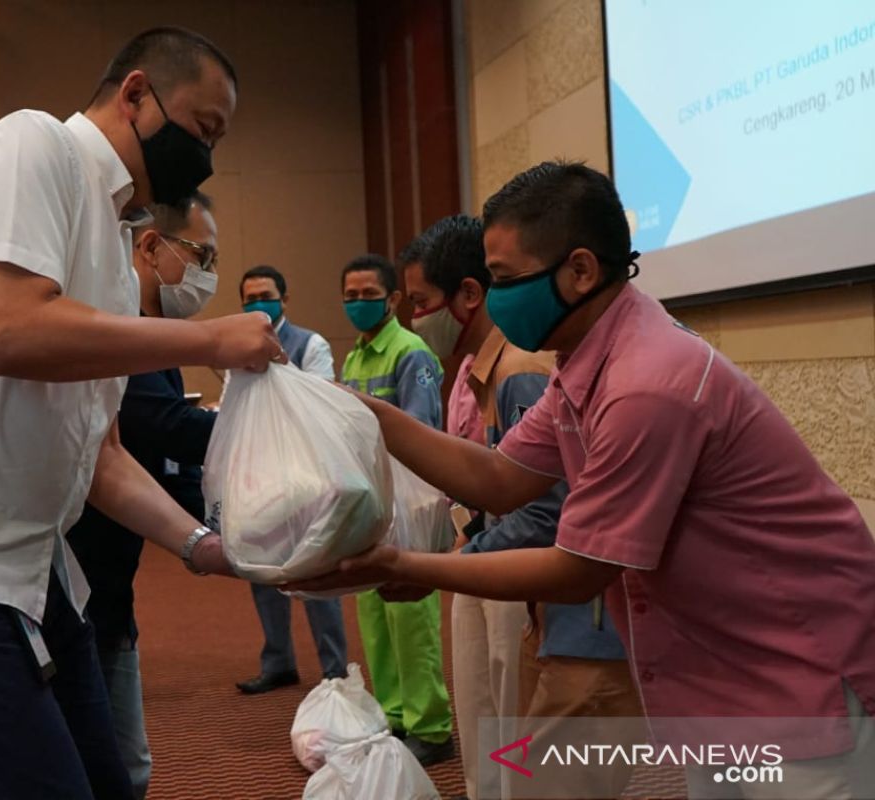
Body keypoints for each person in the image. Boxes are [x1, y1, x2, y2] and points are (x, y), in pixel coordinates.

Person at [293, 162, 875, 799]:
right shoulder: (586, 363)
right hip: (720, 673)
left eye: (506, 279)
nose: (492, 297)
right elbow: (499, 475)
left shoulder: (647, 381)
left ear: (579, 271)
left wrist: (409, 566)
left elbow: (580, 570)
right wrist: (368, 415)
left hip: (801, 674)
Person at [0, 28, 283, 799]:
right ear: (135, 94)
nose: (205, 159)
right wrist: (212, 338)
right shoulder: (32, 146)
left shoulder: (111, 234)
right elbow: (4, 330)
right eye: (202, 132)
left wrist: (204, 547)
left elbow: (98, 456)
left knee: (107, 780)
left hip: (23, 556)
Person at [405, 214, 639, 800]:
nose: (412, 318)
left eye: (420, 302)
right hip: (498, 561)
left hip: (542, 581)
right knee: (489, 721)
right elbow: (490, 475)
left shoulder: (528, 370)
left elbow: (545, 507)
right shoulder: (475, 371)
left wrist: (446, 561)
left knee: (520, 731)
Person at [67, 191, 220, 799]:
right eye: (201, 254)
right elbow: (163, 428)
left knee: (126, 771)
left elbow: (161, 463)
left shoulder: (155, 335)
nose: (209, 274)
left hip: (111, 591)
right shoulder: (116, 330)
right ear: (150, 246)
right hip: (71, 592)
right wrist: (262, 433)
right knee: (98, 772)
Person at [338, 254, 454, 766]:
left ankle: (431, 725)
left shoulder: (413, 353)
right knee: (375, 618)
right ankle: (395, 717)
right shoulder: (355, 357)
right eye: (350, 295)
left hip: (408, 505)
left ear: (392, 300)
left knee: (411, 620)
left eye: (368, 295)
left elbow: (420, 434)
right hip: (367, 504)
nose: (358, 303)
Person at [233, 264, 348, 694]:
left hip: (306, 473)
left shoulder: (310, 343)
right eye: (248, 299)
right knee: (261, 570)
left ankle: (335, 670)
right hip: (259, 472)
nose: (257, 304)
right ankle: (278, 661)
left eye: (265, 295)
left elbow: (318, 399)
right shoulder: (236, 346)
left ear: (284, 299)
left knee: (316, 570)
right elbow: (233, 403)